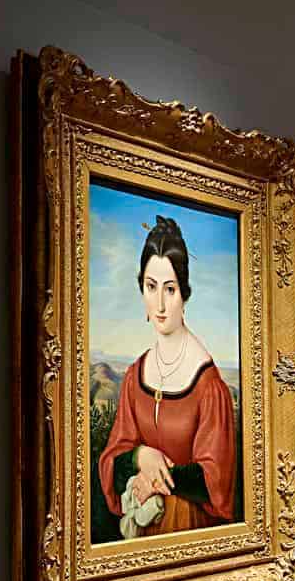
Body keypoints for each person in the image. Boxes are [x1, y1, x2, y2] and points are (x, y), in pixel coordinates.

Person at [98, 215, 237, 538]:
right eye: (151, 287)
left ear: (184, 294)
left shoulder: (208, 384)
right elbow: (111, 460)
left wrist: (157, 478)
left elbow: (215, 479)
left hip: (189, 531)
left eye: (170, 289)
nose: (159, 304)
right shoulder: (135, 376)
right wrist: (139, 456)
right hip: (143, 535)